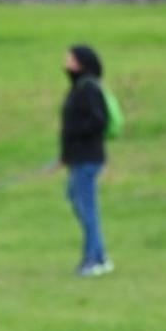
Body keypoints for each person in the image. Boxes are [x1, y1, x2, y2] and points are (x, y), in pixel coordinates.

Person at [59, 44, 111, 277]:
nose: (65, 62)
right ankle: (99, 254)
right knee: (75, 198)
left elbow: (99, 121)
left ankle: (93, 259)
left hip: (87, 158)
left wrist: (75, 135)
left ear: (81, 61)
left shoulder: (88, 88)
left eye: (70, 58)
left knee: (86, 207)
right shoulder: (77, 87)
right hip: (77, 158)